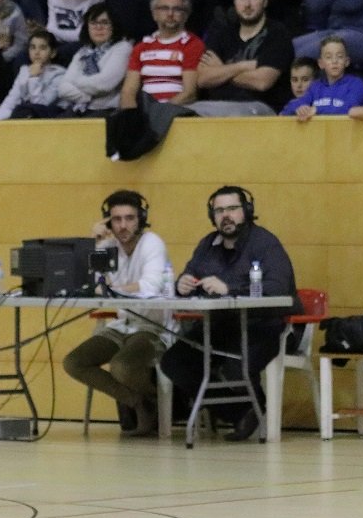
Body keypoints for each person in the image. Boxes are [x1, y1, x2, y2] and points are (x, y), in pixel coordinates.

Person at [160, 185, 301, 443]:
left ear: (247, 211)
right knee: (174, 361)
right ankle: (242, 412)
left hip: (264, 325)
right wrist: (182, 286)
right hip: (221, 325)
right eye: (219, 210)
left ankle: (250, 410)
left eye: (233, 209)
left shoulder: (265, 243)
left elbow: (278, 289)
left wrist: (230, 289)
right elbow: (190, 274)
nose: (226, 215)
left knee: (235, 365)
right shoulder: (207, 245)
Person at [62, 190, 171, 434]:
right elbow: (89, 285)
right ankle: (137, 402)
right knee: (74, 362)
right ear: (108, 221)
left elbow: (149, 287)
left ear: (141, 218)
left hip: (153, 327)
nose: (123, 225)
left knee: (121, 366)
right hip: (123, 324)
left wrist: (113, 290)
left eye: (130, 218)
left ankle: (162, 402)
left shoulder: (152, 243)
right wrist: (95, 244)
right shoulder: (109, 246)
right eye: (117, 219)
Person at [57, 1, 131, 115]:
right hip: (78, 109)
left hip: (106, 111)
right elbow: (62, 88)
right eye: (93, 23)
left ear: (114, 26)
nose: (99, 27)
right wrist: (86, 97)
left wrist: (76, 81)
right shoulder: (82, 52)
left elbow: (103, 85)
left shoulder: (122, 47)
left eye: (104, 22)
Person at [281, 34, 363, 120]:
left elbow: (349, 109)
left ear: (347, 61)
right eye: (328, 57)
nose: (334, 61)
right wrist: (300, 108)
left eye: (339, 56)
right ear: (321, 63)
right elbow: (290, 108)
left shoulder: (356, 84)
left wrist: (316, 110)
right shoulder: (315, 87)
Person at [0, 29, 67, 120]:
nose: (36, 52)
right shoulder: (24, 71)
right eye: (33, 47)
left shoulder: (60, 75)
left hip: (51, 118)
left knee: (25, 111)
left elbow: (40, 106)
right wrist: (0, 121)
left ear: (53, 53)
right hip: (24, 115)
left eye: (42, 48)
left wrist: (34, 77)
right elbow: (11, 100)